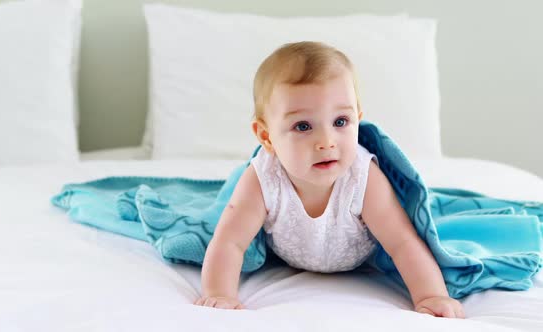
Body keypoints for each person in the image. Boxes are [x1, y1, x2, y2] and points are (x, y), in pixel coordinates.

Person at [194, 41, 465, 318]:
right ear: (266, 137)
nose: (326, 142)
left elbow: (402, 242)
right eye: (303, 126)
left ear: (357, 121)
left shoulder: (363, 177)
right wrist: (219, 294)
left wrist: (432, 295)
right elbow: (230, 241)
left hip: (361, 260)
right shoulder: (263, 179)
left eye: (340, 122)